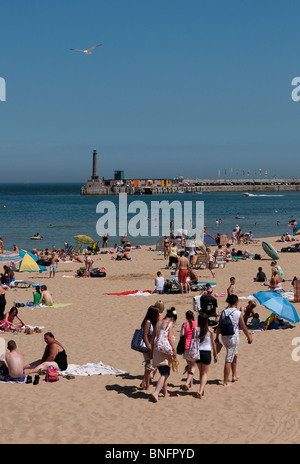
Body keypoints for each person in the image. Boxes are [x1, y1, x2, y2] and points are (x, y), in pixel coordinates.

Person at [215, 294, 252, 387]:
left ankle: (234, 376)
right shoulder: (238, 313)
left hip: (224, 337)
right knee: (229, 359)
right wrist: (249, 337)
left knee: (234, 355)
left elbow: (218, 326)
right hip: (232, 338)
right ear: (236, 302)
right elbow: (243, 327)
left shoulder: (223, 312)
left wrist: (216, 337)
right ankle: (225, 382)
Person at [150, 307, 177, 402]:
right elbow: (170, 338)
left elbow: (153, 338)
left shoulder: (158, 323)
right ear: (173, 318)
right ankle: (156, 392)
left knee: (163, 372)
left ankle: (165, 393)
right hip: (165, 350)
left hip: (157, 350)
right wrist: (174, 349)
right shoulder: (169, 324)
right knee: (165, 374)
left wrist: (152, 351)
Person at [195, 312, 218, 398]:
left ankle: (203, 389)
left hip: (198, 352)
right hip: (206, 352)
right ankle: (200, 391)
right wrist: (215, 355)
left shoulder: (196, 329)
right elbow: (213, 343)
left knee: (201, 372)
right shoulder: (210, 330)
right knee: (204, 373)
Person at [139, 305, 159, 391]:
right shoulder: (148, 322)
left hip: (150, 346)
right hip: (146, 346)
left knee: (149, 366)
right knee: (148, 366)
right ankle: (146, 385)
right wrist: (149, 347)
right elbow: (145, 336)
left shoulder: (152, 321)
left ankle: (143, 383)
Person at [180, 311, 198, 391]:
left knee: (189, 365)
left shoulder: (184, 324)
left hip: (186, 346)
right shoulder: (196, 323)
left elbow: (182, 336)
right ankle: (189, 383)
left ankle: (190, 383)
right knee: (193, 366)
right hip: (193, 345)